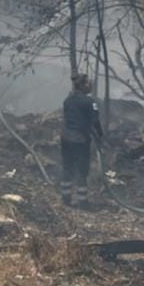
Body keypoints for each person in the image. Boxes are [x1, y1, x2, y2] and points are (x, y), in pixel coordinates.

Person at [60, 72, 103, 208]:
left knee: (68, 167)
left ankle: (66, 198)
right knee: (82, 170)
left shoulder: (68, 100)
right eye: (88, 83)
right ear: (84, 85)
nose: (90, 85)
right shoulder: (90, 102)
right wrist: (100, 136)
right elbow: (94, 122)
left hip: (66, 138)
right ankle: (82, 201)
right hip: (80, 140)